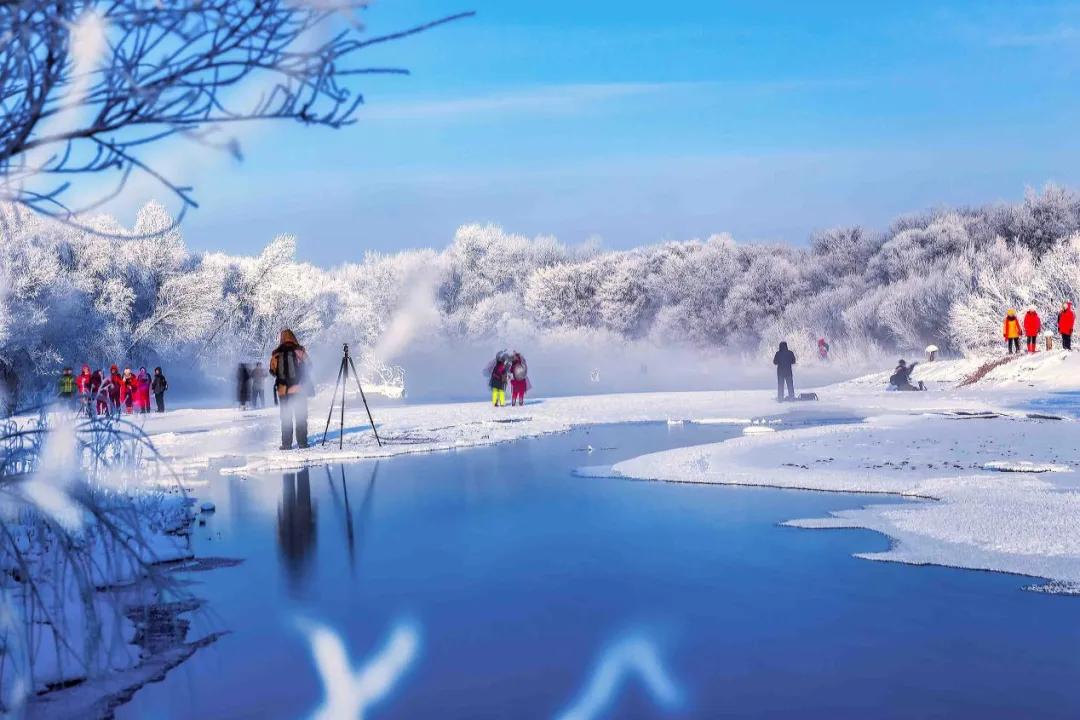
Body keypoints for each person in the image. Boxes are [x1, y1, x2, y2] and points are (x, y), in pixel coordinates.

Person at [270, 329, 310, 450]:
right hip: (298, 390)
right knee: (301, 416)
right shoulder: (299, 351)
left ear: (281, 339)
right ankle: (302, 443)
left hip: (283, 391)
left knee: (286, 417)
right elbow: (309, 366)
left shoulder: (276, 354)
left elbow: (272, 371)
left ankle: (286, 444)